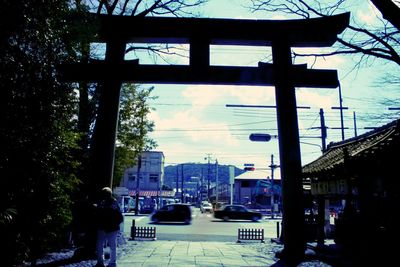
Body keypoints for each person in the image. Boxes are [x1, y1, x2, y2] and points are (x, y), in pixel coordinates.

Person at [94, 187, 123, 267]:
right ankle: (112, 262)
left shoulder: (101, 203)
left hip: (102, 227)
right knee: (112, 245)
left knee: (100, 245)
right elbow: (119, 216)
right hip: (113, 227)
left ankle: (100, 262)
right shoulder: (114, 203)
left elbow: (97, 215)